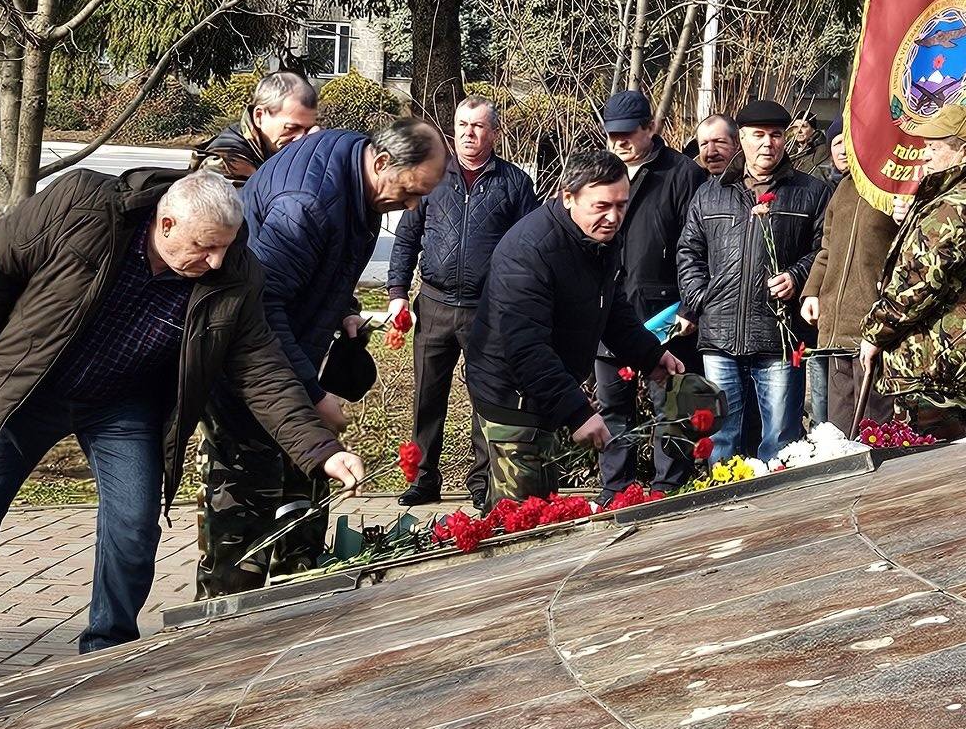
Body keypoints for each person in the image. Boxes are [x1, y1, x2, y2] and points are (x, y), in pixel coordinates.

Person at [0, 168, 363, 690]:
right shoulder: (84, 206)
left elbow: (261, 368)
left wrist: (322, 450)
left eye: (224, 247)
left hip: (123, 404)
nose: (216, 261)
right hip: (33, 384)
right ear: (166, 223)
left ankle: (106, 650)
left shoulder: (236, 273)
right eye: (205, 246)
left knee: (133, 523)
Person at [198, 118, 447, 595]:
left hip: (289, 363)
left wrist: (345, 309)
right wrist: (313, 395)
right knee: (245, 530)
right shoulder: (306, 205)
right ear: (381, 162)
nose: (413, 206)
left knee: (303, 508)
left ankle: (292, 607)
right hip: (246, 381)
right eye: (411, 192)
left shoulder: (356, 169)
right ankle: (220, 623)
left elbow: (322, 265)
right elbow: (261, 310)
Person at [467, 148, 685, 500]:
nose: (614, 217)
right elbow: (526, 348)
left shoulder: (597, 240)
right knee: (522, 516)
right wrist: (578, 413)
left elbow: (611, 310)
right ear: (568, 197)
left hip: (545, 391)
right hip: (513, 397)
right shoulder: (530, 250)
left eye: (622, 205)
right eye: (602, 206)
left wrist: (650, 355)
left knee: (542, 506)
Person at [385, 98, 537, 508]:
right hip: (433, 305)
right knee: (426, 397)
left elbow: (530, 248)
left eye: (479, 126)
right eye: (462, 124)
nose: (469, 133)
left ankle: (484, 482)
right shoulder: (433, 176)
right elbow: (406, 238)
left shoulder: (515, 184)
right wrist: (398, 293)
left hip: (487, 311)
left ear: (495, 134)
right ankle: (422, 479)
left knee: (488, 398)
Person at [676, 100, 829, 463]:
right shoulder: (711, 192)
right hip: (720, 335)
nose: (768, 143)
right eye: (758, 135)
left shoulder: (810, 191)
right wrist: (701, 299)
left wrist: (796, 276)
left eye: (776, 135)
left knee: (780, 440)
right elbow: (689, 250)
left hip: (778, 337)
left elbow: (825, 250)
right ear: (741, 139)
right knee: (721, 440)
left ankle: (780, 499)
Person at [858, 103, 966, 441]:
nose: (925, 155)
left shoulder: (955, 205)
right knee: (952, 453)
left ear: (963, 152)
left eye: (934, 146)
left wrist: (874, 333)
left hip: (932, 364)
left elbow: (916, 285)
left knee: (923, 460)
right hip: (963, 359)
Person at [593, 89, 705, 497]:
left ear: (651, 128)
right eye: (613, 134)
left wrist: (690, 306)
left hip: (665, 312)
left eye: (628, 133)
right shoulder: (599, 171)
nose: (620, 142)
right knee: (613, 406)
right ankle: (616, 489)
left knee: (670, 406)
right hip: (607, 308)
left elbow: (696, 246)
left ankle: (668, 488)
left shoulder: (681, 173)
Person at [800, 153, 897, 435]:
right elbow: (827, 248)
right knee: (839, 434)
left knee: (874, 434)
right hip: (836, 331)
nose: (844, 149)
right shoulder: (845, 186)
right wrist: (812, 291)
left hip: (874, 329)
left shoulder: (899, 185)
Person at [190, 69, 318, 185]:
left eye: (307, 129)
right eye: (291, 128)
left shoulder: (272, 148)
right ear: (259, 116)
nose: (301, 137)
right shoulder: (226, 164)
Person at [695, 113, 738, 178]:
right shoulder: (692, 180)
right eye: (704, 144)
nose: (711, 153)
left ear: (736, 143)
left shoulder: (750, 181)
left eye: (719, 142)